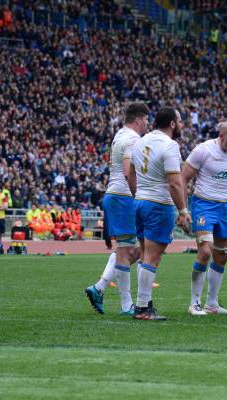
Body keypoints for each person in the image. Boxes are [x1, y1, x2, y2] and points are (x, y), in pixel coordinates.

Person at [85, 103, 149, 315]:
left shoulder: (120, 135)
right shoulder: (132, 139)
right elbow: (128, 170)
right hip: (124, 196)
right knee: (128, 250)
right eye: (146, 120)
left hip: (116, 195)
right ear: (139, 119)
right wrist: (138, 195)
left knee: (137, 249)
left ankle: (100, 287)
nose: (147, 124)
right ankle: (126, 304)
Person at [129, 106, 191, 321]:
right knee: (153, 257)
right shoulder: (170, 145)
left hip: (139, 202)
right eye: (180, 121)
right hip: (158, 204)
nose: (182, 125)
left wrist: (139, 195)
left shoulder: (140, 141)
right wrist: (183, 210)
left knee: (145, 254)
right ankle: (142, 308)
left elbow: (129, 172)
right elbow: (175, 183)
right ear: (172, 124)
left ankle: (143, 303)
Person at [181, 121, 227, 316]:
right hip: (204, 204)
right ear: (221, 136)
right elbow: (183, 179)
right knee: (205, 251)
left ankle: (212, 303)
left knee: (222, 255)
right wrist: (183, 209)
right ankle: (195, 303)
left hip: (225, 206)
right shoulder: (203, 150)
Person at [0, 184, 12, 254]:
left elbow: (6, 206)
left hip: (0, 218)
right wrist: (1, 207)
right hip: (0, 217)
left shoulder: (3, 196)